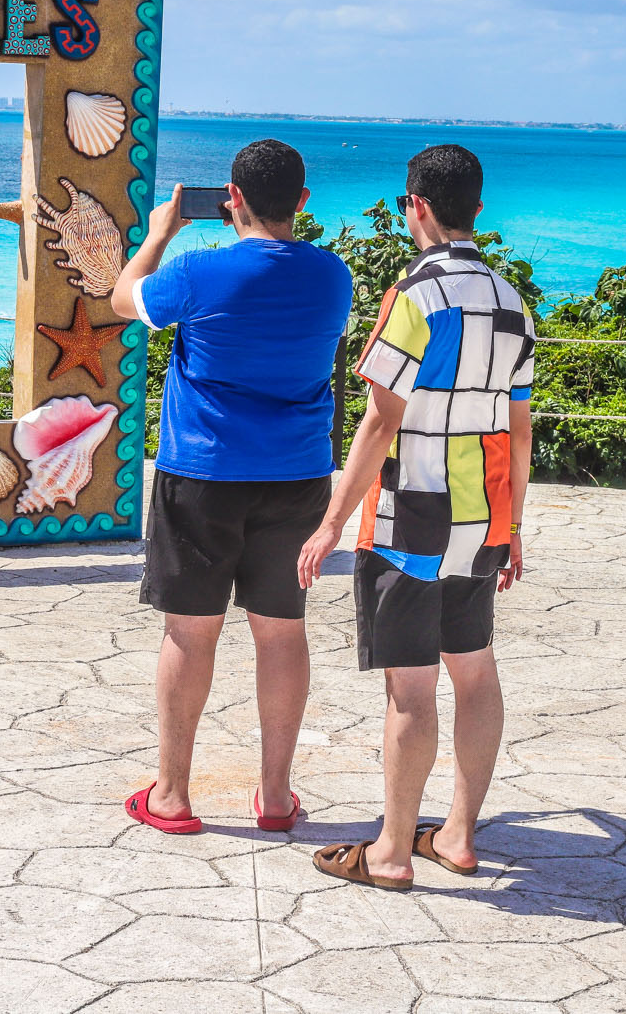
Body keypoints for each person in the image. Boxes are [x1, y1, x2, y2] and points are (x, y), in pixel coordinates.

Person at [296, 143, 535, 889]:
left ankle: (393, 850)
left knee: (411, 687)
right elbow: (520, 429)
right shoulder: (512, 300)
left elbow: (380, 420)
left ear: (417, 207)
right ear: (477, 210)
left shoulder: (414, 295)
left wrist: (332, 521)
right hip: (483, 510)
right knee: (476, 670)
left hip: (411, 516)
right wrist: (513, 523)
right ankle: (458, 835)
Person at [110, 139, 354, 835]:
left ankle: (172, 795)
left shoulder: (199, 272)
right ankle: (275, 795)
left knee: (190, 632)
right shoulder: (333, 276)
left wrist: (159, 234)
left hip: (204, 473)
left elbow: (124, 299)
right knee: (281, 633)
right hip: (298, 473)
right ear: (302, 201)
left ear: (232, 199)